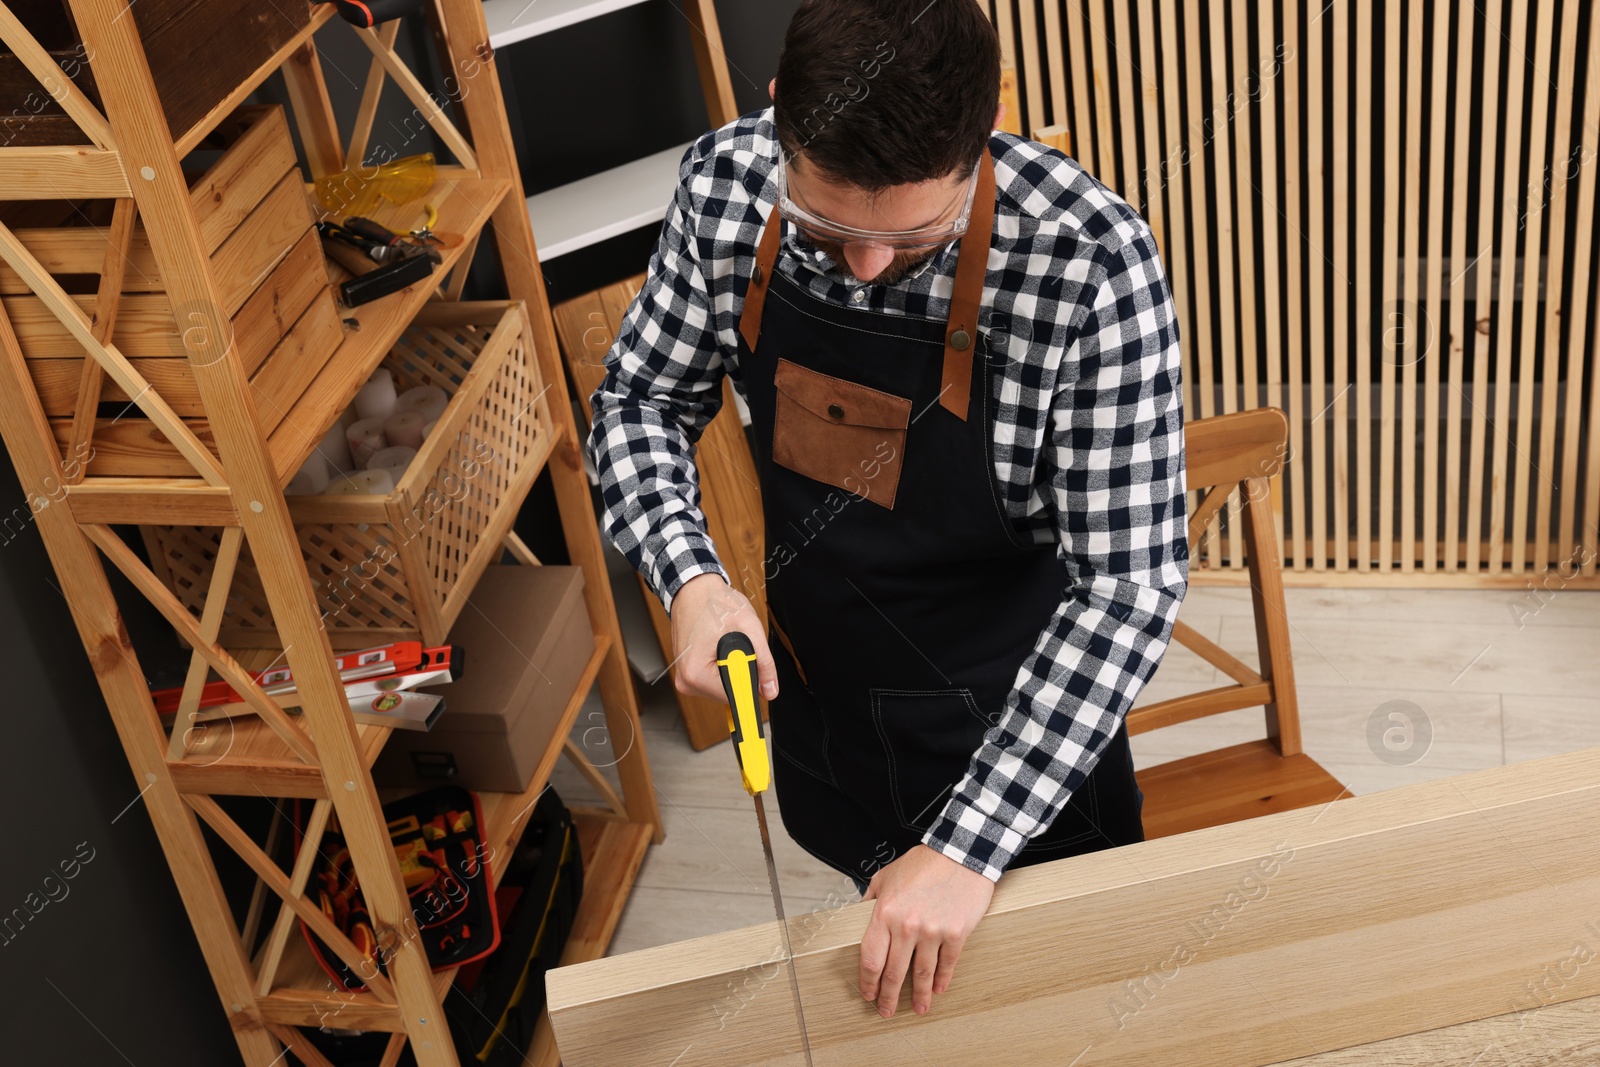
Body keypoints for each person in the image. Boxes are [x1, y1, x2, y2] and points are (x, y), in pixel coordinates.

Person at [587, 0, 1188, 1023]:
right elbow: (641, 401)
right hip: (831, 702)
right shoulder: (728, 185)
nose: (864, 269)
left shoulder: (1088, 261)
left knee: (1068, 1020)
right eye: (829, 227)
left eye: (913, 238)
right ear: (782, 113)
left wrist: (966, 842)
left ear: (988, 123)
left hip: (1025, 733)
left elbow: (1126, 586)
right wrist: (688, 577)